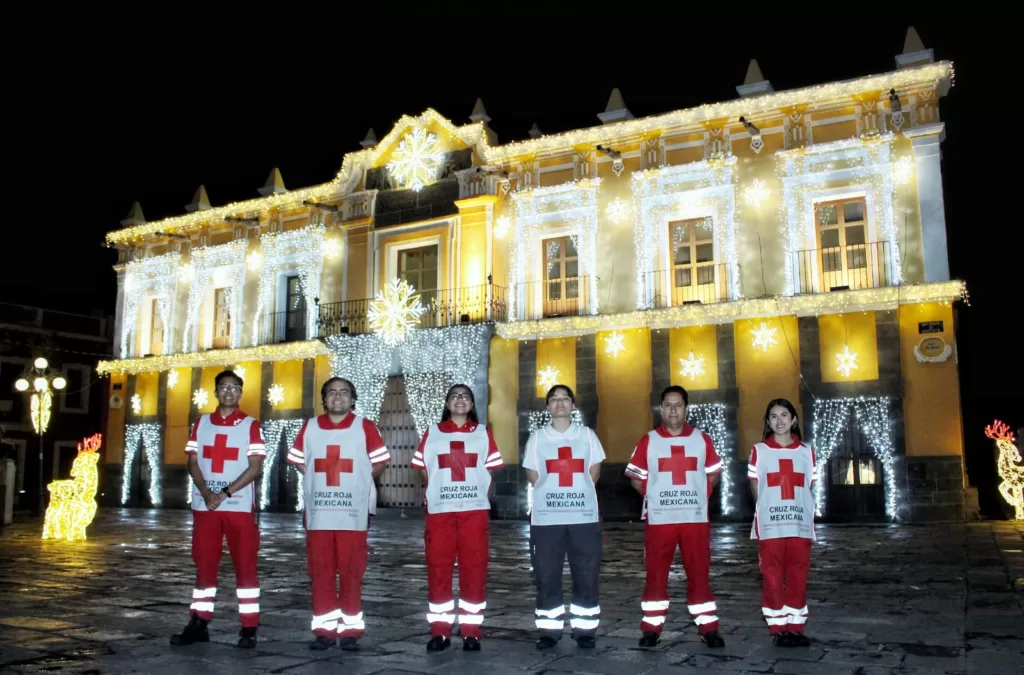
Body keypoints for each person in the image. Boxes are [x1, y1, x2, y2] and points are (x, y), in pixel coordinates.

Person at [287, 377, 390, 652]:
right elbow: (299, 461)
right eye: (332, 392)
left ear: (352, 399)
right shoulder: (309, 427)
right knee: (320, 571)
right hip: (319, 514)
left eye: (344, 392)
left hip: (352, 515)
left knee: (351, 571)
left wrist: (360, 482)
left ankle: (351, 630)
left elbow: (379, 461)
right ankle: (323, 630)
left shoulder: (365, 426)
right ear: (324, 399)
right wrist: (318, 482)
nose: (338, 397)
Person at [625, 385, 725, 648]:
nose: (672, 410)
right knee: (656, 574)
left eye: (677, 404)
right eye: (667, 405)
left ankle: (708, 627)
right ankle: (651, 628)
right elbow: (636, 478)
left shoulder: (702, 439)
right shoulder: (648, 440)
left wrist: (701, 492)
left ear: (686, 408)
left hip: (694, 519)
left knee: (699, 572)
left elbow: (713, 473)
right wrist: (655, 494)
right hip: (660, 520)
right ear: (661, 408)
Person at [171, 370, 266, 648]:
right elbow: (192, 461)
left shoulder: (251, 425)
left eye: (234, 387)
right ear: (215, 392)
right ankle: (199, 621)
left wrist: (224, 493)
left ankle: (249, 627)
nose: (229, 392)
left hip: (238, 507)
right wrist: (205, 492)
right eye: (223, 387)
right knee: (204, 564)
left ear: (240, 393)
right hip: (205, 506)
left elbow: (255, 467)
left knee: (245, 566)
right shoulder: (200, 423)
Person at [411, 384, 503, 653]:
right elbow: (423, 469)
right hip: (440, 513)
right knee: (438, 570)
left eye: (465, 396)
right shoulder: (433, 432)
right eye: (454, 396)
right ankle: (439, 632)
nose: (460, 400)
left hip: (474, 512)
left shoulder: (484, 433)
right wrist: (439, 491)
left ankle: (471, 631)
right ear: (447, 403)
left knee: (474, 569)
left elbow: (491, 469)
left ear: (472, 404)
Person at [524, 384, 604, 651]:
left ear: (573, 405)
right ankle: (549, 630)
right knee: (546, 574)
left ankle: (585, 630)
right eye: (554, 399)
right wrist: (553, 493)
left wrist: (574, 493)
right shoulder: (537, 438)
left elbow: (594, 471)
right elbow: (533, 474)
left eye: (565, 399)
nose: (559, 403)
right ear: (547, 406)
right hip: (547, 519)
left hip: (583, 517)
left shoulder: (587, 436)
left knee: (587, 572)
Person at [749, 398, 817, 647]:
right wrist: (765, 507)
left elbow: (808, 484)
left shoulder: (806, 451)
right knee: (773, 575)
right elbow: (755, 483)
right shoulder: (759, 451)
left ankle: (796, 626)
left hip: (799, 523)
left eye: (784, 415)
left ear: (794, 419)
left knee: (798, 573)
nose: (779, 421)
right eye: (774, 416)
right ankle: (778, 626)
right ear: (768, 421)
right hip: (771, 525)